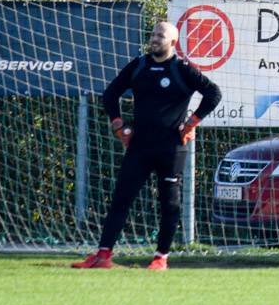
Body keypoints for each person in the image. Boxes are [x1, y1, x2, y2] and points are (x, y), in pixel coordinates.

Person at [72, 21, 221, 270]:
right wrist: (118, 125)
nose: (154, 39)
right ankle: (103, 256)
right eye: (153, 34)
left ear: (173, 42)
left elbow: (213, 93)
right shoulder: (139, 65)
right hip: (139, 147)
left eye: (160, 35)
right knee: (120, 200)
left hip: (171, 148)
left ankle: (161, 258)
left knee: (170, 204)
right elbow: (110, 94)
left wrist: (191, 123)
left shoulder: (181, 68)